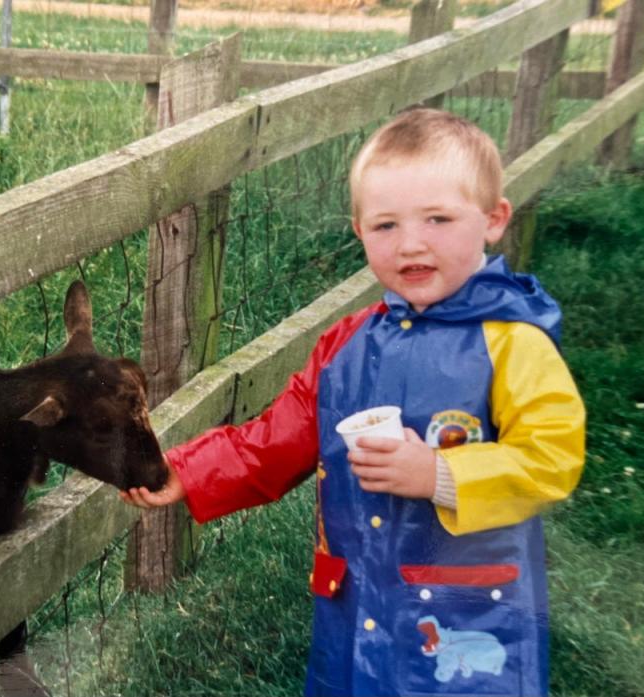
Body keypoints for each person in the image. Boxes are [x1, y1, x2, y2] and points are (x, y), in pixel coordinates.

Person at [121, 108, 585, 697]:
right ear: (359, 230)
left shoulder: (512, 343)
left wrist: (441, 474)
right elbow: (280, 436)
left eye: (438, 219)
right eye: (386, 225)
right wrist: (185, 471)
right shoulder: (346, 345)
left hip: (464, 610)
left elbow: (552, 460)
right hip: (358, 601)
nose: (411, 243)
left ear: (493, 220)